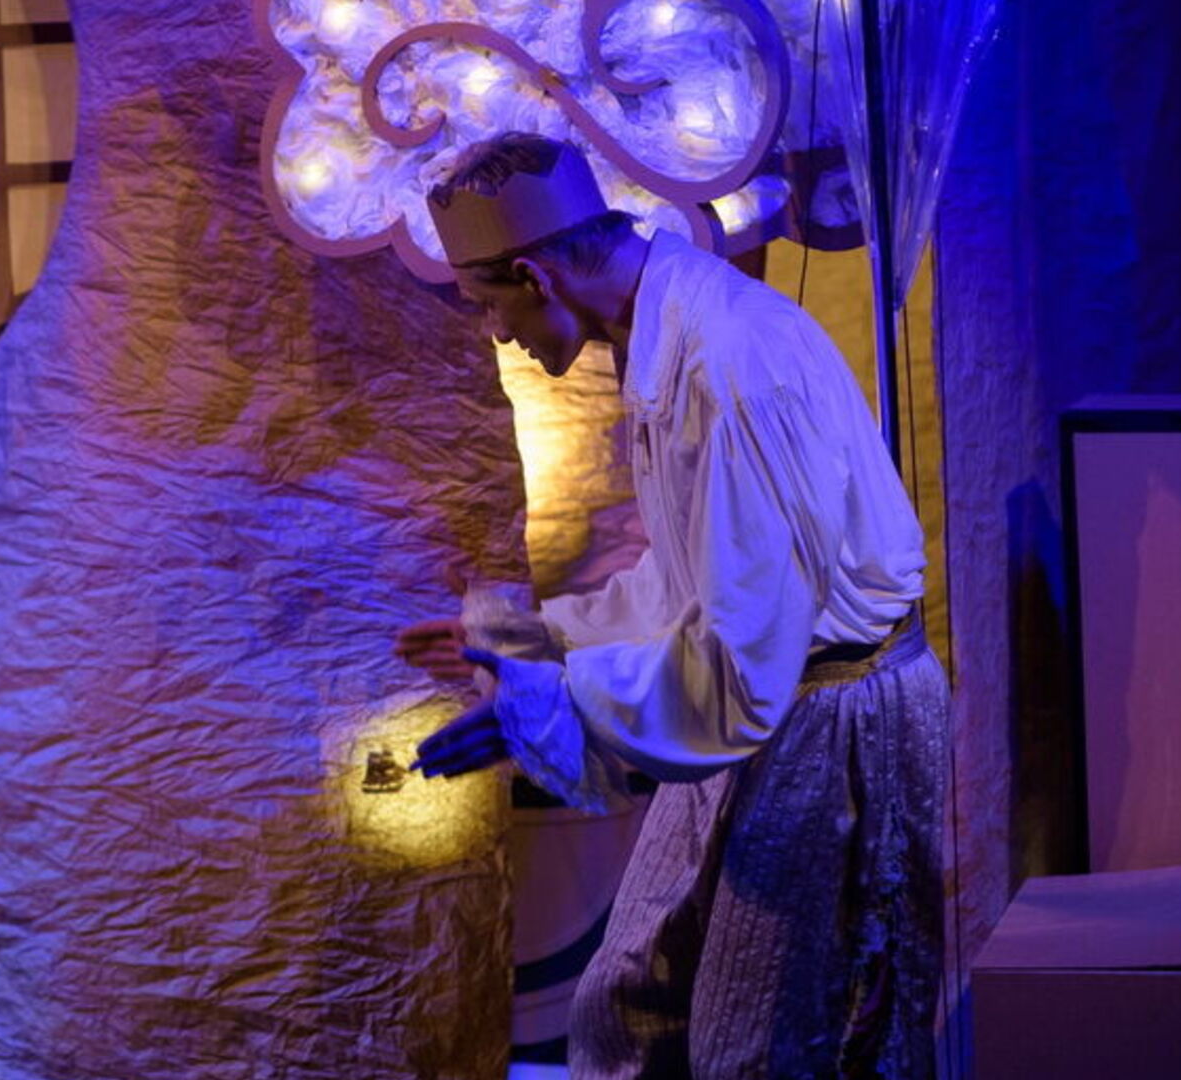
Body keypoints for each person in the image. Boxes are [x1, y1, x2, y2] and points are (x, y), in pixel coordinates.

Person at [398, 132, 948, 1079]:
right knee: (627, 1003)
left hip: (828, 723)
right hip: (765, 698)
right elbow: (698, 580)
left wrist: (555, 706)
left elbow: (741, 663)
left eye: (488, 306)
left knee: (762, 1047)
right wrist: (539, 640)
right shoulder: (667, 333)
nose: (497, 334)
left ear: (534, 274)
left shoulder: (725, 366)